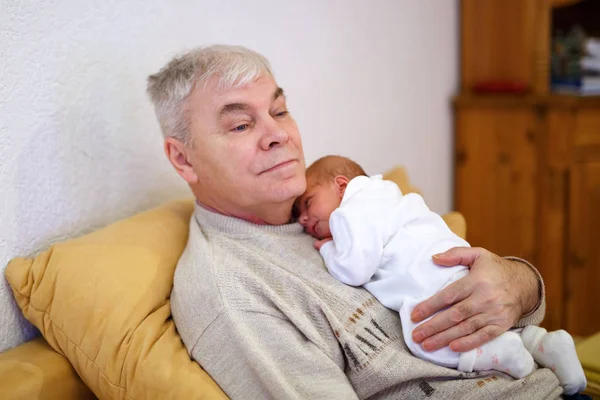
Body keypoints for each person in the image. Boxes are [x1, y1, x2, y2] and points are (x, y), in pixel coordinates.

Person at [146, 45, 564, 399]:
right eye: (240, 124)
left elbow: (498, 295)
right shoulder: (232, 293)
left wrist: (520, 283)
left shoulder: (333, 202)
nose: (280, 134)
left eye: (280, 109)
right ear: (183, 158)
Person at [295, 155, 586, 395]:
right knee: (478, 318)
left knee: (425, 336)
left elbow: (354, 268)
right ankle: (538, 342)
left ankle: (501, 353)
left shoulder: (347, 213)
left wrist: (328, 249)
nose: (304, 220)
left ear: (341, 185)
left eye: (308, 203)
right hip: (457, 265)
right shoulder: (388, 193)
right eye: (299, 217)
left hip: (427, 282)